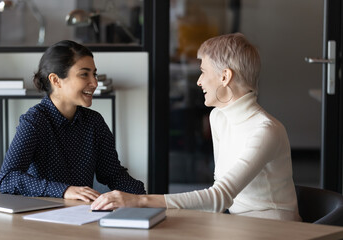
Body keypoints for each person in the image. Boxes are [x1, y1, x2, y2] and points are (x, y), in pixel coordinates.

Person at [91, 33, 301, 221]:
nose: (199, 81)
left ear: (225, 77)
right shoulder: (218, 117)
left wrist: (140, 201)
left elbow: (219, 197)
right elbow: (219, 198)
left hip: (275, 228)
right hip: (236, 223)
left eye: (203, 71)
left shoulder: (265, 130)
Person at [0, 40, 146, 202]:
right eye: (84, 74)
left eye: (94, 74)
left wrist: (146, 198)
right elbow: (8, 178)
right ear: (55, 80)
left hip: (82, 214)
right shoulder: (34, 121)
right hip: (41, 216)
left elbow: (113, 175)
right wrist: (64, 190)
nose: (94, 83)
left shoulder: (94, 122)